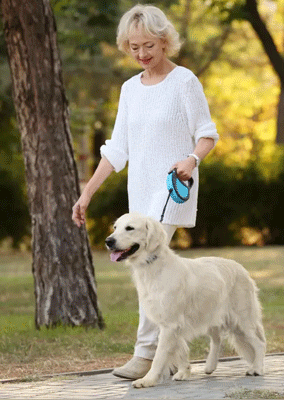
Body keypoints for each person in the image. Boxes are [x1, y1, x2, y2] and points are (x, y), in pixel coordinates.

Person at [71, 4, 219, 380]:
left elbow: (207, 134)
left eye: (148, 45)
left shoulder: (184, 81)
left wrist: (191, 160)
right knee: (150, 273)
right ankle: (171, 355)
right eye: (134, 47)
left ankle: (146, 355)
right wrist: (86, 194)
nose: (141, 54)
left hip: (172, 188)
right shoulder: (129, 89)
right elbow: (116, 150)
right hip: (139, 195)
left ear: (165, 41)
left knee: (148, 266)